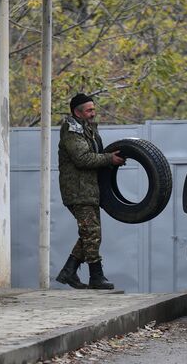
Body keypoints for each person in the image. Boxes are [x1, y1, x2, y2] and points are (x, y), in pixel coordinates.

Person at [56, 93, 125, 290]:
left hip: (89, 190)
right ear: (77, 112)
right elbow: (83, 159)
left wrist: (111, 160)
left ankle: (69, 271)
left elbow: (97, 154)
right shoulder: (72, 130)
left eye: (94, 109)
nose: (93, 113)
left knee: (90, 233)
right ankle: (96, 275)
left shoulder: (88, 129)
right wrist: (108, 159)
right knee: (92, 232)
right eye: (89, 110)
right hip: (78, 190)